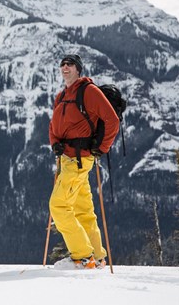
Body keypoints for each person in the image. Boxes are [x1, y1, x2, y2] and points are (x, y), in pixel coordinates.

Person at [48, 54, 120, 269]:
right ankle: (97, 256)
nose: (65, 67)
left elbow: (112, 120)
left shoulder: (89, 91)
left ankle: (82, 256)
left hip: (79, 159)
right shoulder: (61, 96)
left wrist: (102, 147)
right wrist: (55, 143)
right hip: (67, 158)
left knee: (59, 206)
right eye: (62, 64)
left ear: (78, 69)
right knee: (83, 211)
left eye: (70, 64)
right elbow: (53, 125)